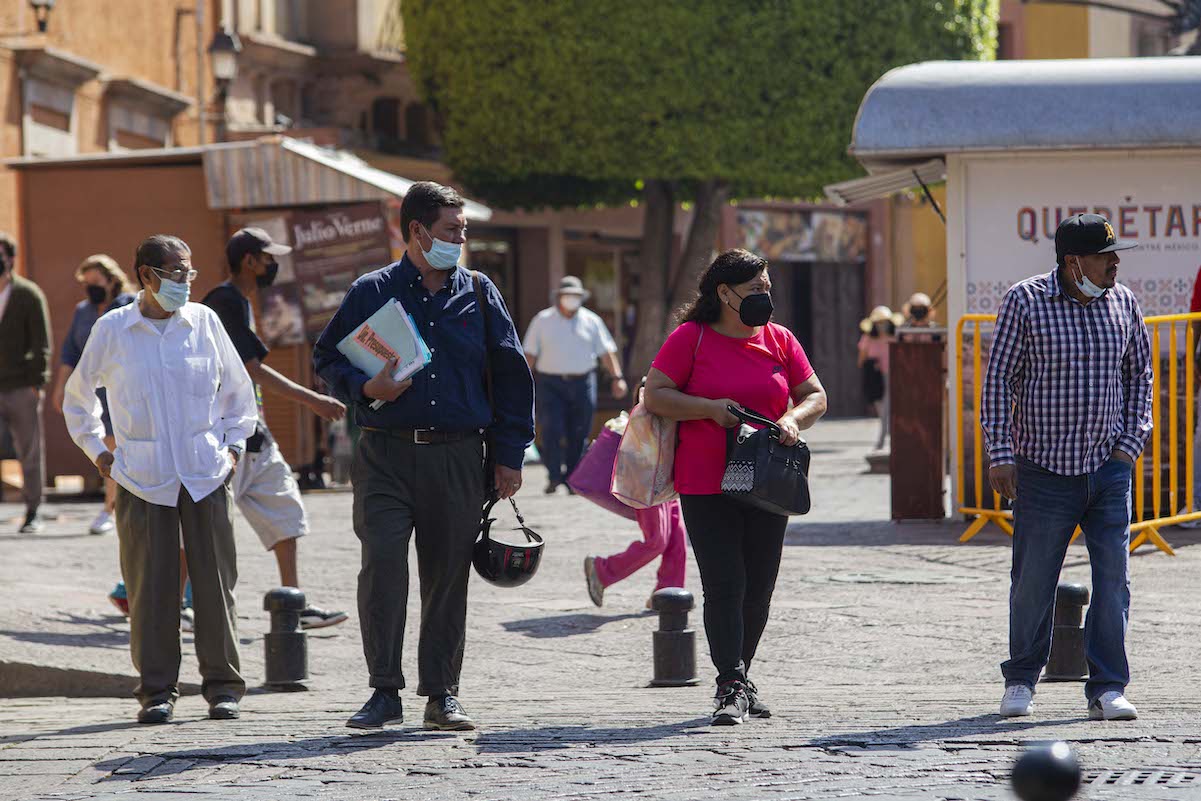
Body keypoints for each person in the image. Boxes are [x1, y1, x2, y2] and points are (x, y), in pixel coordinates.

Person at [313, 181, 535, 732]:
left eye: (462, 231)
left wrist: (509, 455)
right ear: (416, 231)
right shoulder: (371, 290)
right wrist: (367, 390)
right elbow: (327, 357)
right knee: (382, 566)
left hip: (458, 457)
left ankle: (442, 694)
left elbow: (511, 378)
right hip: (384, 455)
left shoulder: (481, 292)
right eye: (451, 230)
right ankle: (383, 691)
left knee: (446, 577)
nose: (460, 240)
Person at [63, 235, 258, 724]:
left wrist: (233, 447)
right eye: (174, 273)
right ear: (146, 275)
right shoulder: (114, 330)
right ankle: (156, 690)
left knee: (215, 584)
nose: (185, 282)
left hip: (205, 474)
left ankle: (223, 686)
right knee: (150, 587)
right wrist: (97, 453)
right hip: (141, 479)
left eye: (189, 272)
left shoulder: (205, 323)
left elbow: (239, 393)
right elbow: (77, 398)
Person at [643, 248, 827, 726]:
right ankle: (729, 682)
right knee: (726, 582)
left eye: (767, 289)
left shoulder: (780, 340)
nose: (765, 298)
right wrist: (706, 407)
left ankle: (740, 677)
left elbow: (815, 395)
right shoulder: (692, 338)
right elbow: (656, 394)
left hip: (769, 480)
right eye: (755, 291)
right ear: (724, 293)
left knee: (759, 587)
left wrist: (792, 417)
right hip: (706, 480)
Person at [982, 213, 1152, 722]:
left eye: (1115, 255)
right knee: (1033, 580)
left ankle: (1107, 687)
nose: (1115, 263)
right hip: (1042, 470)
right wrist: (1001, 455)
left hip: (1108, 468)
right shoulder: (1025, 301)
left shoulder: (1124, 303)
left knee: (1114, 579)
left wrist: (1128, 446)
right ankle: (1020, 679)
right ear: (1073, 262)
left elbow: (1139, 377)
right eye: (1105, 256)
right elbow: (998, 382)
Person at [200, 227, 348, 630]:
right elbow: (252, 369)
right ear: (249, 260)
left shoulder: (241, 302)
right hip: (225, 434)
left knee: (285, 509)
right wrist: (313, 400)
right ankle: (183, 606)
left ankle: (292, 602)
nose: (273, 265)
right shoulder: (224, 302)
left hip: (253, 433)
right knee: (204, 525)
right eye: (268, 258)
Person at [49, 255, 136, 536]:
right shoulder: (83, 311)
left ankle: (113, 507)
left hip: (125, 388)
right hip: (94, 391)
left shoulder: (129, 305)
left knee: (118, 446)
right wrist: (61, 386)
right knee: (107, 446)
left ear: (111, 279)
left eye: (95, 283)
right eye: (86, 284)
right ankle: (112, 506)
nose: (90, 289)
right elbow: (70, 352)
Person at [584, 378, 686, 609]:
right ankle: (602, 570)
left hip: (669, 480)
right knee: (657, 540)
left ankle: (666, 593)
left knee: (676, 539)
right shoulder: (651, 392)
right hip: (647, 478)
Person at [523, 276, 628, 494]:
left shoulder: (592, 321)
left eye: (576, 296)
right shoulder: (542, 320)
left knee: (579, 432)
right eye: (568, 295)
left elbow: (606, 352)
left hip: (583, 382)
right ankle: (553, 476)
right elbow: (530, 353)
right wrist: (521, 382)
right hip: (550, 383)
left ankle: (572, 478)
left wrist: (617, 378)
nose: (572, 299)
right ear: (559, 297)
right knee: (551, 429)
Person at [0, 233, 52, 533]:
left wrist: (38, 384)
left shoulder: (28, 294)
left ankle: (33, 510)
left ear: (11, 258)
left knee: (29, 450)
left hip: (21, 386)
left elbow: (41, 342)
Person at [857, 305, 900, 451]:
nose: (882, 325)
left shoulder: (896, 336)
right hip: (875, 377)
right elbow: (861, 359)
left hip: (892, 374)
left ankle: (884, 440)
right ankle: (885, 437)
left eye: (885, 322)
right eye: (879, 322)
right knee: (881, 408)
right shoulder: (868, 338)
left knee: (889, 407)